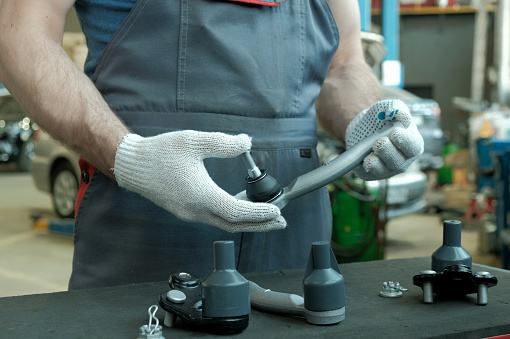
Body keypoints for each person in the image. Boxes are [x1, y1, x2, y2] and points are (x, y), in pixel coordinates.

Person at [0, 0, 423, 289]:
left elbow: (344, 62)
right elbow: (19, 35)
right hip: (147, 215)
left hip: (296, 224)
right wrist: (131, 158)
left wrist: (367, 118)